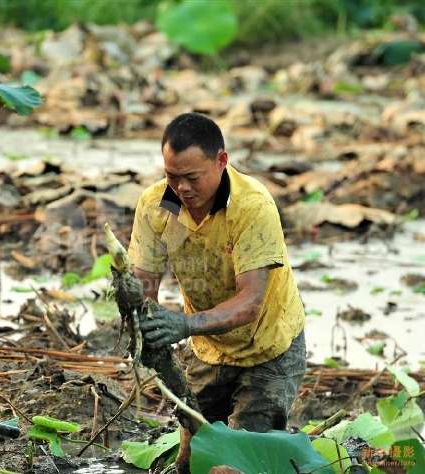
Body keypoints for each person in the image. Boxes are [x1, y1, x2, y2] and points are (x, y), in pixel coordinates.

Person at [127, 112, 306, 473]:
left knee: (238, 464)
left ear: (221, 161)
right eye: (171, 176)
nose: (182, 188)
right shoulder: (160, 205)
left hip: (267, 345)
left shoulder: (251, 207)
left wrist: (183, 324)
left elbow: (250, 302)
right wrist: (145, 326)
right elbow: (145, 279)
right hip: (209, 348)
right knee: (190, 457)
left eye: (191, 177)